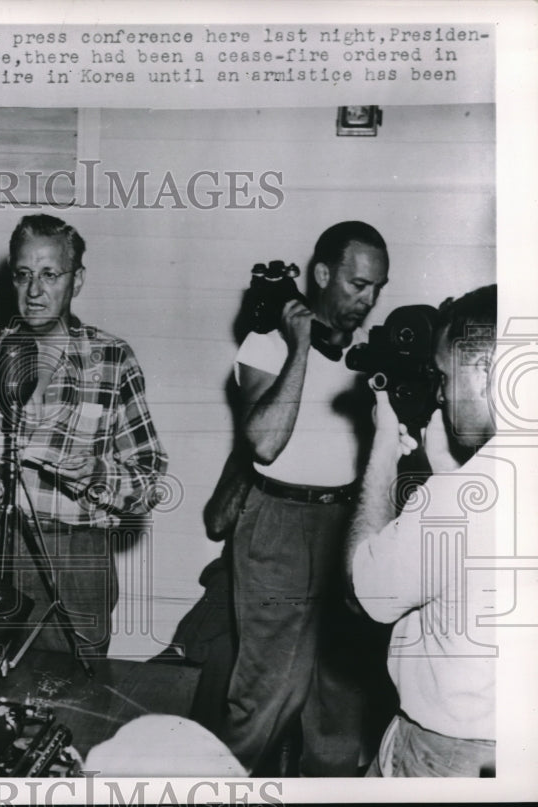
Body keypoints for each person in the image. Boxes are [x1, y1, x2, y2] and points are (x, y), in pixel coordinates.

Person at [0, 214, 168, 656]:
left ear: (76, 280)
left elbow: (149, 477)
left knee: (70, 701)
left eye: (50, 274)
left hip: (75, 556)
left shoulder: (112, 361)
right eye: (24, 275)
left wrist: (97, 476)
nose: (35, 291)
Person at [222, 221, 391, 776]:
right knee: (266, 697)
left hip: (348, 523)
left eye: (376, 289)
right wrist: (300, 349)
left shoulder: (371, 353)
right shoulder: (265, 345)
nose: (366, 301)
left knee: (341, 707)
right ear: (322, 274)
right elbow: (264, 444)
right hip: (279, 523)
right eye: (357, 285)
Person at [348, 284, 499, 777]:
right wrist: (445, 467)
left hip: (448, 751)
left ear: (482, 373)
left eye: (445, 376)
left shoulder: (459, 499)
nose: (440, 393)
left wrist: (384, 446)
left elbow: (361, 592)